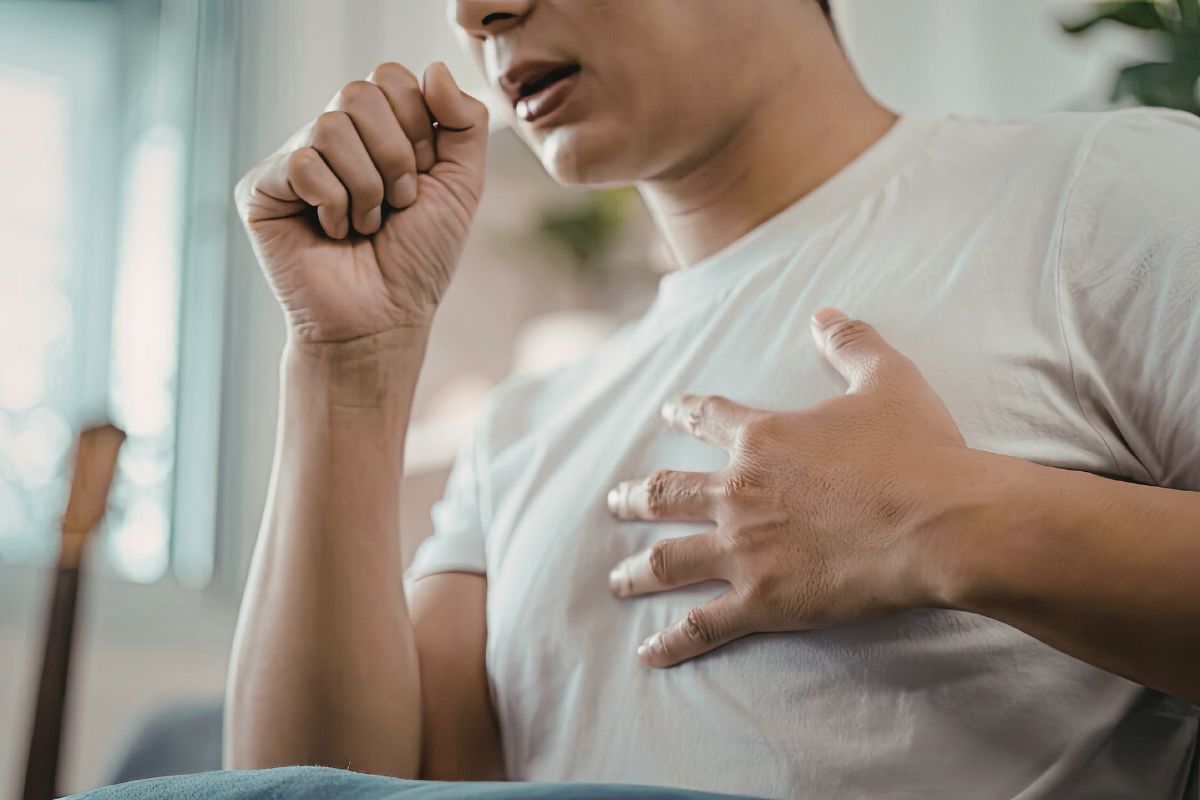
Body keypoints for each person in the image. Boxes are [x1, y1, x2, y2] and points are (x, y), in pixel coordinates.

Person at [225, 1, 1200, 798]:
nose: (478, 13)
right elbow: (320, 789)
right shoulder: (524, 425)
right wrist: (346, 363)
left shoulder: (1107, 190)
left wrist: (942, 524)